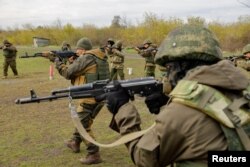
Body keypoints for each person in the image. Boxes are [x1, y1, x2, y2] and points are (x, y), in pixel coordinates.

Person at [96, 25, 250, 166]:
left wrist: (122, 109)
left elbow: (144, 158)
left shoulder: (181, 114)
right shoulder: (241, 89)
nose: (167, 75)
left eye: (169, 68)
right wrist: (168, 100)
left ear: (181, 65)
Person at [54, 37, 110, 165]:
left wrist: (57, 61)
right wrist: (75, 61)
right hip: (99, 96)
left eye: (78, 49)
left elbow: (68, 73)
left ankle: (94, 153)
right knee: (84, 120)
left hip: (89, 97)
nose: (76, 51)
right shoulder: (99, 56)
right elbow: (86, 71)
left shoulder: (86, 58)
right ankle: (75, 142)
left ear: (82, 49)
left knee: (83, 125)